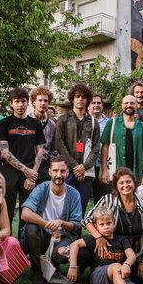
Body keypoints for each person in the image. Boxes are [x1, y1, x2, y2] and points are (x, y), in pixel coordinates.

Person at [67, 206, 143, 284]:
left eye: (109, 223)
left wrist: (127, 265)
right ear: (95, 226)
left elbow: (131, 255)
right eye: (102, 224)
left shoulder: (121, 239)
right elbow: (74, 245)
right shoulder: (93, 239)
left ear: (114, 223)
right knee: (115, 266)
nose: (106, 227)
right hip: (99, 276)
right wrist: (73, 266)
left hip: (120, 276)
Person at [84, 167, 143, 284]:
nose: (125, 185)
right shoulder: (108, 200)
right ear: (116, 186)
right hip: (109, 249)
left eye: (128, 182)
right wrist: (98, 237)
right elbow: (86, 220)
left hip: (130, 252)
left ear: (135, 183)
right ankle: (96, 268)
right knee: (83, 254)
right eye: (121, 183)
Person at [20, 156, 83, 284]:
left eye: (62, 171)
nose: (58, 175)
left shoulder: (74, 194)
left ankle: (55, 263)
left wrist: (61, 223)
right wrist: (48, 224)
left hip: (62, 237)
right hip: (42, 235)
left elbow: (76, 224)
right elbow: (25, 213)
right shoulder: (41, 188)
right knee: (30, 228)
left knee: (62, 254)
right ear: (49, 172)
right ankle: (36, 270)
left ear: (67, 172)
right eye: (55, 171)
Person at [0, 87, 45, 231]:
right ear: (11, 103)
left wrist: (33, 174)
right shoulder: (5, 123)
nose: (20, 105)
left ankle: (24, 249)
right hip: (9, 174)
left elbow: (40, 150)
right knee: (7, 212)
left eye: (23, 101)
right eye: (17, 101)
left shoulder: (36, 124)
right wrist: (26, 170)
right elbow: (4, 152)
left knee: (27, 212)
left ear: (28, 103)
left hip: (29, 175)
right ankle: (8, 246)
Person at [55, 83, 100, 212]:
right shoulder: (63, 119)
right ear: (72, 99)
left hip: (86, 171)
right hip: (67, 170)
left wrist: (84, 167)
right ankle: (63, 232)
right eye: (77, 96)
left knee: (82, 205)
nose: (80, 99)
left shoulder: (93, 121)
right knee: (65, 205)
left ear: (87, 100)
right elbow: (59, 144)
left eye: (83, 97)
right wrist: (75, 166)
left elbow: (96, 147)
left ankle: (77, 232)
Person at [99, 95, 143, 185]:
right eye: (126, 103)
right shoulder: (112, 123)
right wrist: (104, 170)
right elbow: (105, 147)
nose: (129, 105)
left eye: (132, 103)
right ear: (122, 106)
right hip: (115, 172)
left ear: (136, 106)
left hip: (136, 174)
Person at [29, 86, 57, 184]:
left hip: (45, 166)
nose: (43, 103)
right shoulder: (26, 121)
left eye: (46, 101)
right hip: (29, 164)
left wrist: (51, 165)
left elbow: (54, 148)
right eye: (40, 100)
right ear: (33, 102)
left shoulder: (52, 125)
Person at [89, 94, 109, 203]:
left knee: (101, 198)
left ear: (102, 105)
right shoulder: (84, 121)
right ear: (88, 105)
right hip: (87, 165)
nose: (96, 105)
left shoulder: (109, 123)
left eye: (99, 103)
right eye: (93, 103)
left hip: (102, 165)